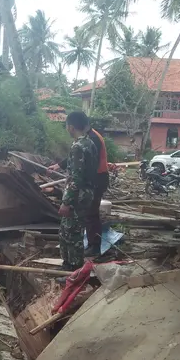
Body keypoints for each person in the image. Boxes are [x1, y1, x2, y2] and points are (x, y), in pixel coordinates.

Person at [48, 114, 107, 256]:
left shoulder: (87, 141)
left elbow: (77, 174)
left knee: (86, 219)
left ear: (71, 127)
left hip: (94, 180)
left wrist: (67, 201)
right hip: (92, 182)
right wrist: (59, 165)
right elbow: (76, 160)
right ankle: (90, 248)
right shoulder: (89, 140)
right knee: (86, 217)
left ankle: (92, 248)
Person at [58, 111, 99, 272]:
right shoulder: (90, 143)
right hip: (87, 193)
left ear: (71, 127)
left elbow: (76, 178)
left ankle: (73, 269)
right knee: (73, 229)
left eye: (67, 126)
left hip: (78, 195)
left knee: (70, 233)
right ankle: (70, 266)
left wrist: (66, 202)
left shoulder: (77, 147)